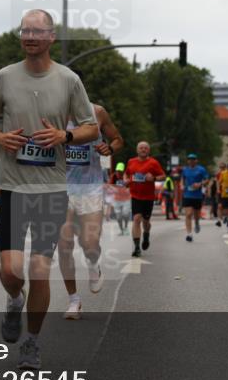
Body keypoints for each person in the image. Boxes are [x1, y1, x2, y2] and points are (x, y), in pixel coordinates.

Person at [0, 8, 98, 369]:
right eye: (24, 30)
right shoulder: (5, 77)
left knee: (40, 268)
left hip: (51, 188)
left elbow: (91, 127)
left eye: (36, 31)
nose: (29, 36)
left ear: (51, 37)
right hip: (14, 185)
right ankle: (15, 300)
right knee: (11, 271)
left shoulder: (69, 80)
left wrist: (65, 135)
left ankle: (31, 341)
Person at [58, 103, 124, 319]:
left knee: (90, 242)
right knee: (64, 243)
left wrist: (110, 148)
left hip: (91, 188)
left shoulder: (98, 113)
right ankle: (74, 300)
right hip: (60, 189)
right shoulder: (51, 111)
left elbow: (118, 139)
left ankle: (93, 264)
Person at [125, 141, 165, 257]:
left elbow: (163, 176)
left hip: (148, 197)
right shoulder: (131, 162)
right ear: (137, 150)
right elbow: (126, 174)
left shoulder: (153, 163)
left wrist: (153, 178)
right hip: (135, 196)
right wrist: (126, 180)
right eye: (141, 148)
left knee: (146, 222)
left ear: (148, 151)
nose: (143, 150)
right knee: (136, 219)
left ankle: (146, 234)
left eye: (145, 148)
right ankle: (137, 247)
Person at [181, 153, 208, 242]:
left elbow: (207, 180)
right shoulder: (185, 170)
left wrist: (199, 184)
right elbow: (182, 179)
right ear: (188, 161)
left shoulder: (201, 169)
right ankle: (189, 234)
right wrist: (181, 185)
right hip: (187, 195)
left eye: (193, 159)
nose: (191, 161)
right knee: (188, 214)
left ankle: (196, 223)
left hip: (197, 196)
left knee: (196, 215)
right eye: (189, 159)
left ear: (196, 160)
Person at [107, 162, 131, 234]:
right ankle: (121, 230)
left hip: (126, 198)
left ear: (123, 171)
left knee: (126, 214)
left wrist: (127, 186)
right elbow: (109, 186)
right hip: (117, 199)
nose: (118, 172)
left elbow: (131, 186)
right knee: (118, 216)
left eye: (120, 171)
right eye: (117, 171)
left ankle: (126, 227)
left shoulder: (127, 177)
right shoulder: (113, 176)